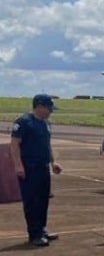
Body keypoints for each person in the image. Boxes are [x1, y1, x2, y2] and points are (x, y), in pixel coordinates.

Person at [10, 94, 63, 247]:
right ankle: (34, 234)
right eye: (48, 108)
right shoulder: (23, 122)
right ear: (39, 106)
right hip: (29, 168)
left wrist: (53, 162)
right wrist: (18, 165)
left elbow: (47, 144)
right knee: (31, 201)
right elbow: (14, 145)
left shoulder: (46, 123)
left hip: (43, 167)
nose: (50, 112)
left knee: (43, 200)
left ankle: (42, 229)